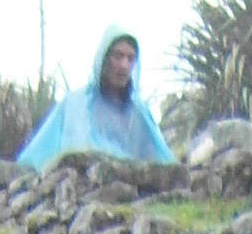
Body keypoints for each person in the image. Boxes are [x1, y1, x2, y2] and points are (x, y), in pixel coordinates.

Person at [16, 21, 171, 166]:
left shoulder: (140, 115)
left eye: (131, 58)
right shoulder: (74, 105)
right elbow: (37, 155)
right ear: (104, 59)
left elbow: (160, 161)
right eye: (118, 56)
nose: (124, 65)